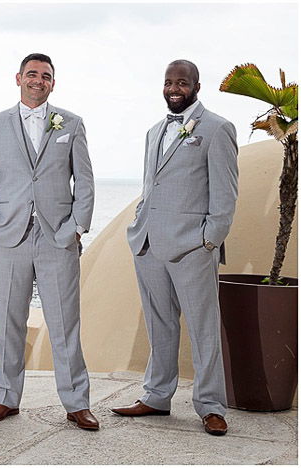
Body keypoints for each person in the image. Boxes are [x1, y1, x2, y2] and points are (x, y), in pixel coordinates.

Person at [111, 60, 238, 436]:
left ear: (197, 86)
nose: (173, 88)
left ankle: (211, 406)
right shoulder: (154, 131)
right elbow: (153, 186)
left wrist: (208, 241)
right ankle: (157, 396)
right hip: (148, 244)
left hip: (192, 248)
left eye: (181, 82)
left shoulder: (218, 129)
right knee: (159, 324)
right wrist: (139, 224)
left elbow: (226, 195)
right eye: (168, 82)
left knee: (204, 329)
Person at [0, 53, 98, 430]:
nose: (38, 80)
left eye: (45, 76)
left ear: (52, 83)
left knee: (64, 322)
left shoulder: (71, 124)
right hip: (9, 235)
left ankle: (76, 403)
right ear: (18, 78)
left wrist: (76, 227)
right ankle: (5, 398)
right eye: (32, 74)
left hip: (57, 236)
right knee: (8, 319)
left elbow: (85, 181)